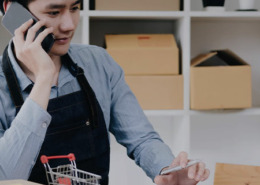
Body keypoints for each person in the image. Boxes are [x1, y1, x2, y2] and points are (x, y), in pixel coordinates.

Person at [0, 0, 210, 184]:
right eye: (54, 12)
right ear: (12, 11)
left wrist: (166, 169)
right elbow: (6, 176)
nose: (69, 25)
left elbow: (141, 139)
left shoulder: (98, 63)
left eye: (75, 8)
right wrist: (44, 77)